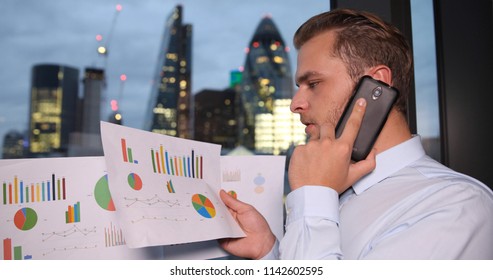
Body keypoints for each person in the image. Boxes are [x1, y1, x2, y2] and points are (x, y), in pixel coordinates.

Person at [218, 8, 493, 259]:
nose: (295, 104)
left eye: (313, 83)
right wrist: (270, 251)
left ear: (376, 85)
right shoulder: (333, 188)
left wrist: (314, 193)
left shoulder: (455, 207)